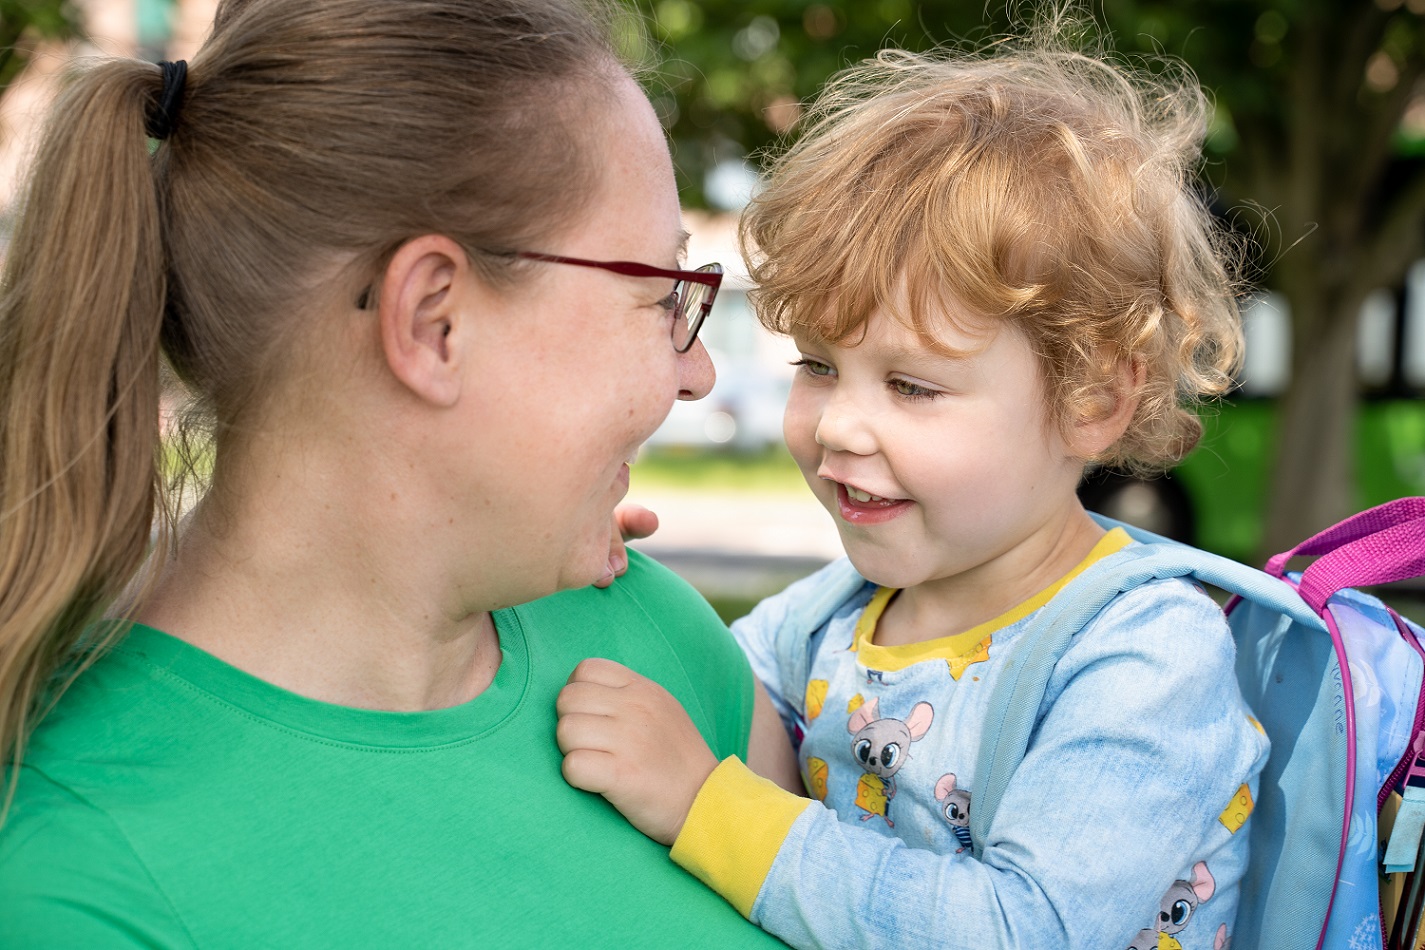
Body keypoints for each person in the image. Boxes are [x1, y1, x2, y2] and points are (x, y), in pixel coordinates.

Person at [0, 0, 792, 946]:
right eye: (662, 295)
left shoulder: (648, 639)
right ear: (433, 322)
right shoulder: (80, 882)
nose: (697, 370)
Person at [556, 25, 1271, 949]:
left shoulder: (1145, 656)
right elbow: (696, 706)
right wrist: (587, 570)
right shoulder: (825, 622)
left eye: (911, 386)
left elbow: (1023, 931)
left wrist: (707, 807)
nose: (840, 425)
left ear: (1091, 398)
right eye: (818, 365)